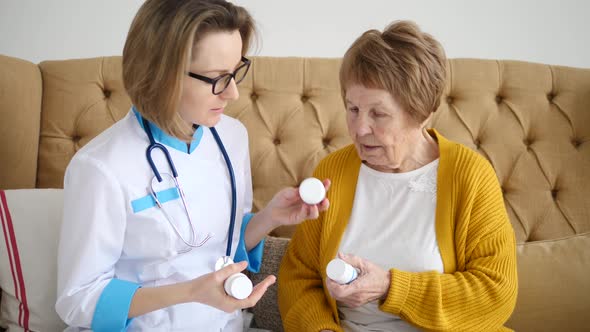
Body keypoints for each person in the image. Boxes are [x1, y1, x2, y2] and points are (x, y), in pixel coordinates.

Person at [55, 1, 329, 331]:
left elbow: (219, 242)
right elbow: (79, 298)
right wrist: (190, 292)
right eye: (217, 78)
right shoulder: (100, 167)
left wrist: (270, 216)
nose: (233, 93)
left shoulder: (231, 137)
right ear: (159, 73)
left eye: (236, 72)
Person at [278, 20, 517, 332]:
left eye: (378, 114)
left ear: (421, 113)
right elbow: (300, 275)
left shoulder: (469, 175)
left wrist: (390, 286)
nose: (360, 129)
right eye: (353, 109)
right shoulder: (332, 171)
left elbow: (496, 293)